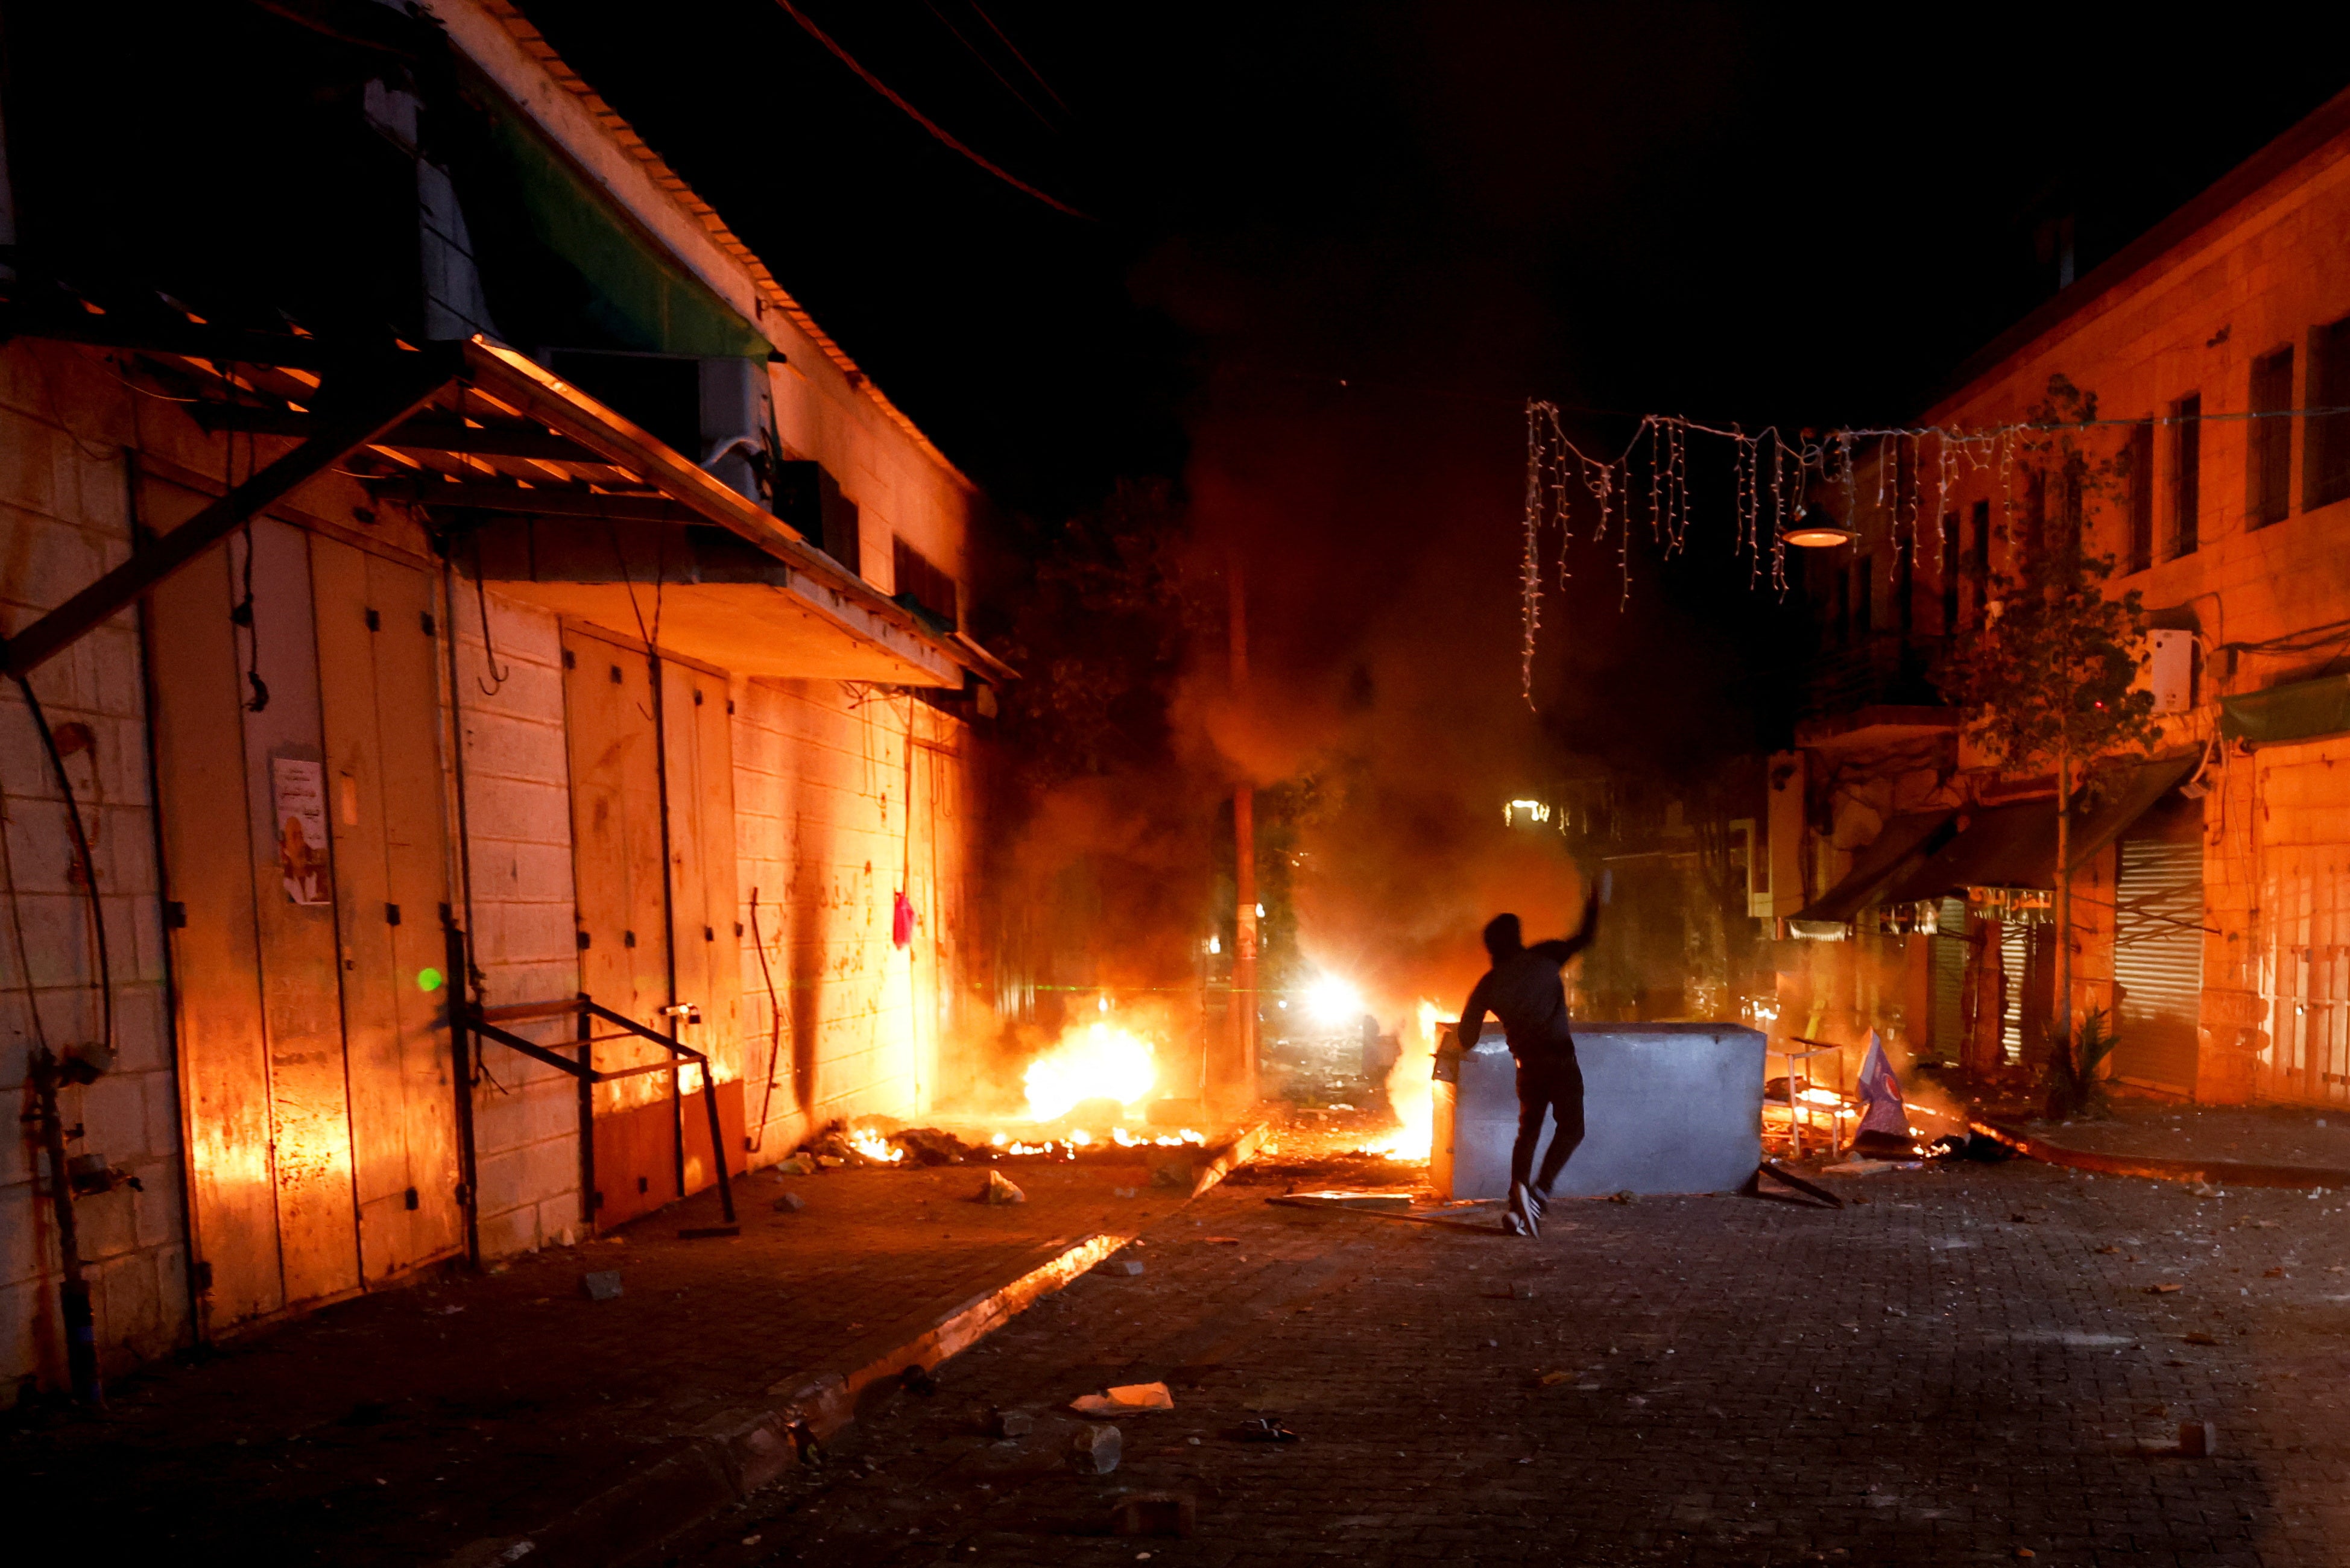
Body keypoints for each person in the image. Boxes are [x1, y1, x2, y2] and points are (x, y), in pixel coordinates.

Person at [1455, 887, 1602, 1236]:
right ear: (1517, 938)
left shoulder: (1489, 984)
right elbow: (1586, 937)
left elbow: (1467, 1037)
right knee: (1572, 1128)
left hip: (1528, 1067)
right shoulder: (1545, 957)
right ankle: (1537, 1194)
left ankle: (1516, 1209)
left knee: (1529, 1131)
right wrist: (1597, 898)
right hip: (1561, 1061)